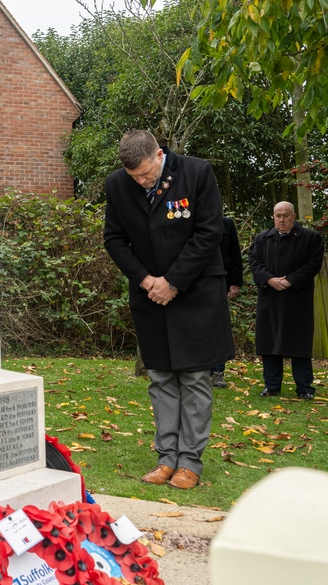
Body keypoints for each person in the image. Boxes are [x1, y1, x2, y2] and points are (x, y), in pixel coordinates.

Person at [104, 130, 233, 490]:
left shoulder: (197, 173)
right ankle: (166, 458)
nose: (142, 182)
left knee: (193, 377)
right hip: (149, 295)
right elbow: (114, 239)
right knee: (160, 377)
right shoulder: (117, 185)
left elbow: (209, 233)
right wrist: (147, 281)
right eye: (135, 178)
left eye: (146, 174)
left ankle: (190, 462)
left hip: (196, 290)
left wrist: (172, 281)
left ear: (160, 154)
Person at [248, 201, 324, 399]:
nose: (281, 220)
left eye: (285, 216)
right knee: (270, 344)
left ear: (294, 216)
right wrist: (269, 279)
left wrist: (291, 280)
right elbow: (254, 262)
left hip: (297, 299)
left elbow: (313, 264)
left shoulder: (310, 238)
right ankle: (271, 386)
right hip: (269, 297)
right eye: (277, 216)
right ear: (273, 216)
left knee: (299, 344)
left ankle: (305, 388)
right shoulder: (262, 239)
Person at [210, 216, 244, 388]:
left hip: (219, 282)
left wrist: (235, 282)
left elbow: (234, 254)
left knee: (218, 328)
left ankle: (218, 372)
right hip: (192, 282)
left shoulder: (226, 224)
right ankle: (198, 371)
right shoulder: (188, 219)